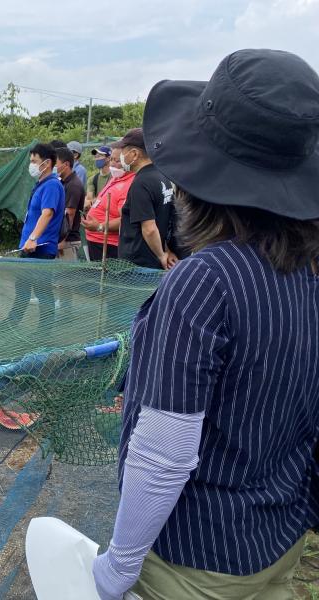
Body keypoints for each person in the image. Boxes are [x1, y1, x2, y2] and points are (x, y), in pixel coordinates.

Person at [92, 48, 319, 600]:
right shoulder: (308, 271)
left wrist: (120, 566)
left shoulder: (205, 280)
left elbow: (164, 453)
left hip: (194, 561)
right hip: (275, 539)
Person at [4, 142, 65, 323]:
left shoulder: (52, 185)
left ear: (46, 163)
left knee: (42, 290)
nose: (31, 164)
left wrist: (33, 238)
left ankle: (44, 331)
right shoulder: (41, 184)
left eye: (34, 161)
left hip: (41, 248)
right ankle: (11, 323)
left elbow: (47, 213)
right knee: (22, 287)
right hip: (28, 247)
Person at [116, 128, 177, 270]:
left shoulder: (141, 183)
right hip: (154, 261)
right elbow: (167, 219)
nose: (121, 156)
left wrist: (161, 255)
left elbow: (149, 228)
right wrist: (166, 250)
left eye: (123, 151)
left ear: (134, 154)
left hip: (138, 264)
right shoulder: (162, 176)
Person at [82, 145, 135, 261]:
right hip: (96, 241)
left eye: (117, 161)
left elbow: (125, 219)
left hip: (108, 244)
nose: (112, 164)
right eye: (112, 159)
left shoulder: (129, 183)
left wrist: (99, 226)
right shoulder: (115, 178)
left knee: (105, 278)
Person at [54, 146, 85, 260]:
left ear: (66, 164)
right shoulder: (62, 182)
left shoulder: (73, 185)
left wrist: (63, 239)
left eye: (55, 162)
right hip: (60, 239)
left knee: (66, 277)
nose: (53, 166)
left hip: (68, 242)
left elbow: (69, 214)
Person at [85, 145, 112, 210]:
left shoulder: (115, 177)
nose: (97, 159)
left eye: (99, 156)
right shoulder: (93, 179)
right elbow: (89, 200)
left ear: (108, 158)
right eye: (95, 157)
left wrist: (95, 200)